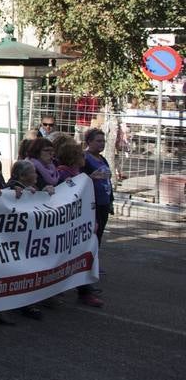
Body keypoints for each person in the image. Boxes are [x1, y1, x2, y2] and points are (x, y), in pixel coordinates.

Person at [79, 127, 112, 308]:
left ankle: (94, 266)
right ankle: (87, 277)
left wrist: (110, 200)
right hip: (93, 205)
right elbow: (81, 180)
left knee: (98, 239)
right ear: (89, 142)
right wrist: (91, 177)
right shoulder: (85, 159)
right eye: (98, 141)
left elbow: (108, 180)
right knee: (91, 238)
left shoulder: (103, 158)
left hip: (103, 202)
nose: (101, 144)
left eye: (103, 141)